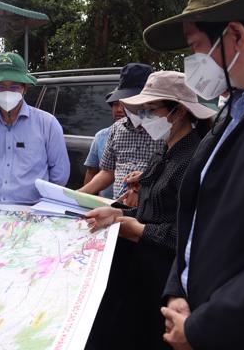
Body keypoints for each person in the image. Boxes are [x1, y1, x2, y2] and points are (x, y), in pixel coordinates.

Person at [142, 0, 244, 349]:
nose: (191, 62)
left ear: (236, 37)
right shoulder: (235, 108)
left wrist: (202, 327)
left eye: (195, 47)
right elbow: (196, 215)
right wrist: (178, 288)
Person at [85, 71, 215, 350]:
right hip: (140, 272)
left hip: (165, 282)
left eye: (150, 110)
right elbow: (150, 212)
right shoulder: (165, 150)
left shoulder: (192, 160)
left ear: (178, 111)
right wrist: (118, 215)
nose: (144, 117)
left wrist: (138, 229)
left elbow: (187, 233)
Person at [0, 52, 70, 204]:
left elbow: (60, 176)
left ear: (25, 88)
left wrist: (43, 206)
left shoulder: (47, 124)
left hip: (33, 210)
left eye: (14, 87)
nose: (7, 92)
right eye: (0, 87)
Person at [79, 63, 164, 198]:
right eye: (126, 100)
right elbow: (108, 171)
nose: (129, 106)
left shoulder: (166, 129)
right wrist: (79, 195)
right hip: (118, 209)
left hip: (153, 212)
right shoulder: (116, 129)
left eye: (136, 100)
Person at [83, 91, 125, 198]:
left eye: (124, 104)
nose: (119, 110)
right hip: (104, 205)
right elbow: (92, 172)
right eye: (115, 104)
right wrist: (83, 200)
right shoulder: (101, 136)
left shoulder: (155, 137)